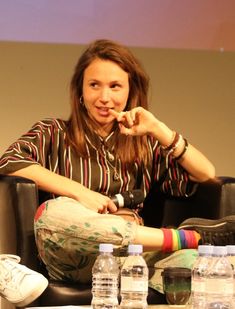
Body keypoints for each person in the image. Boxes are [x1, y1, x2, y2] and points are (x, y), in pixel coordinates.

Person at [0, 39, 234, 286]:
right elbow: (9, 161)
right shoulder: (54, 132)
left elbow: (206, 173)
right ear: (80, 91)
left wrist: (158, 129)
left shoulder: (145, 144)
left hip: (135, 259)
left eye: (115, 86)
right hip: (75, 259)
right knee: (52, 214)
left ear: (130, 91)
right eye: (94, 85)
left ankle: (189, 245)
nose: (104, 97)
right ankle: (189, 238)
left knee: (217, 267)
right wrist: (80, 193)